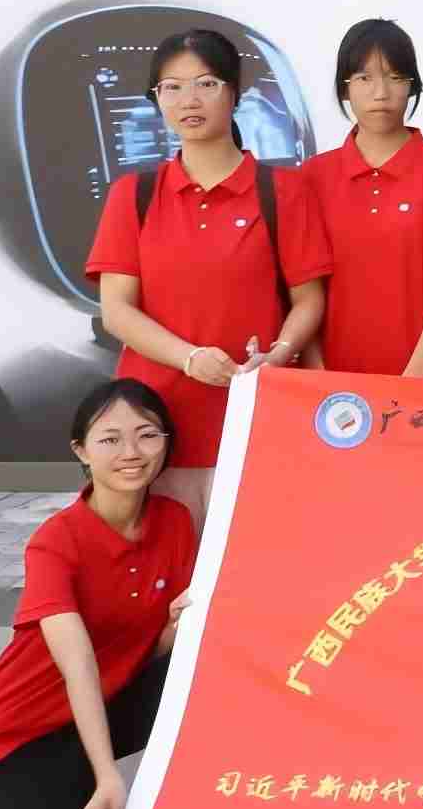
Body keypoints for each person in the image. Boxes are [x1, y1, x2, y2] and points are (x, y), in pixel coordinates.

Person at [0, 381, 196, 809]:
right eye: (110, 439)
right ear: (81, 451)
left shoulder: (175, 522)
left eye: (147, 434)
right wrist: (109, 776)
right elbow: (79, 666)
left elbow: (153, 652)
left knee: (206, 667)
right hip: (23, 733)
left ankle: (191, 800)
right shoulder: (56, 541)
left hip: (106, 706)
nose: (131, 452)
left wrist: (176, 629)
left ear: (166, 442)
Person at [89, 29, 332, 519]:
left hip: (253, 419)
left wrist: (278, 355)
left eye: (206, 83)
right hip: (154, 430)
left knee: (253, 556)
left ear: (234, 93)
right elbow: (116, 310)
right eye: (172, 87)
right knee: (165, 559)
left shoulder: (282, 191)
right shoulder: (133, 195)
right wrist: (189, 358)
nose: (189, 100)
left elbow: (309, 299)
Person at [299, 18, 423, 378]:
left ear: (412, 85)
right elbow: (303, 290)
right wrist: (317, 373)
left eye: (395, 77)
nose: (381, 93)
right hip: (332, 385)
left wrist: (413, 378)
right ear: (344, 89)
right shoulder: (312, 177)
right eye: (364, 78)